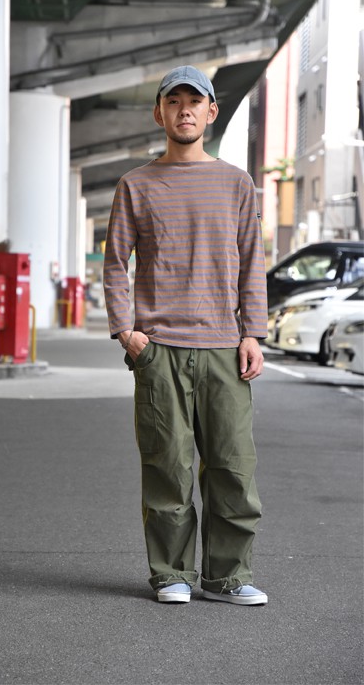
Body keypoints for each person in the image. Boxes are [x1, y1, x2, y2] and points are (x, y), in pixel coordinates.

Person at [103, 65, 269, 605]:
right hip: (160, 351)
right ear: (160, 113)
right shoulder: (136, 184)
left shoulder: (237, 183)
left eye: (194, 102)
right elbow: (115, 262)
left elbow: (252, 261)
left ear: (211, 111)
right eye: (173, 101)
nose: (184, 110)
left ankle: (227, 577)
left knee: (232, 467)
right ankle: (171, 574)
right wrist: (126, 331)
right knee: (167, 466)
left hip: (224, 348)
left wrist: (253, 332)